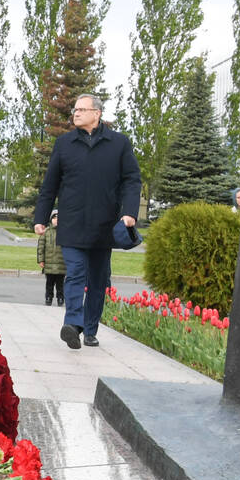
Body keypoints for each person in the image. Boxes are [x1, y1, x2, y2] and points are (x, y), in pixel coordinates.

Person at [33, 94, 141, 349]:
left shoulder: (119, 143)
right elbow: (50, 185)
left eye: (82, 109)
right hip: (71, 223)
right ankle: (72, 324)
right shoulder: (64, 144)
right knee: (75, 274)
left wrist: (130, 212)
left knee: (97, 280)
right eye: (75, 109)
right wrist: (40, 217)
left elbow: (132, 180)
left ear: (97, 113)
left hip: (104, 226)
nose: (76, 113)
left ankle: (90, 329)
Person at [37, 210, 65, 306]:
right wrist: (41, 260)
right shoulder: (46, 232)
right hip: (49, 263)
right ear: (51, 219)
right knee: (49, 283)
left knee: (60, 284)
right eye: (54, 218)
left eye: (58, 218)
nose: (56, 220)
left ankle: (60, 298)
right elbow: (41, 247)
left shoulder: (65, 232)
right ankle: (48, 297)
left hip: (61, 264)